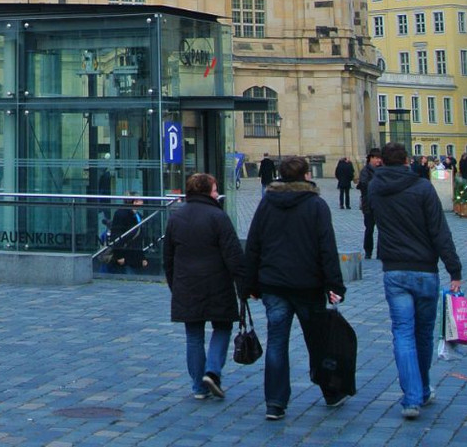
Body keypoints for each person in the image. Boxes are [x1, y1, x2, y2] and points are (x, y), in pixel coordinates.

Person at [243, 153, 347, 421]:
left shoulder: (267, 203)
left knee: (277, 342)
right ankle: (331, 392)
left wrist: (249, 284)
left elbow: (253, 245)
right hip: (308, 285)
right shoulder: (316, 205)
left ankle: (275, 403)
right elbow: (327, 248)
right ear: (305, 175)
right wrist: (334, 284)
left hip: (274, 284)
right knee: (318, 342)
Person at [369, 140, 462, 420]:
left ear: (382, 162)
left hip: (394, 270)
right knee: (422, 333)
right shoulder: (422, 188)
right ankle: (421, 389)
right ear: (408, 160)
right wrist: (454, 270)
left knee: (402, 332)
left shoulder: (375, 188)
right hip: (425, 270)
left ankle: (412, 398)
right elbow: (439, 231)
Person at [164, 172, 244, 399]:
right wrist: (244, 285)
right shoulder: (218, 217)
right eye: (215, 189)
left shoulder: (176, 218)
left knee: (194, 335)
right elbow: (234, 255)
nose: (218, 193)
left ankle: (199, 387)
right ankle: (212, 370)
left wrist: (174, 285)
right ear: (207, 192)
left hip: (186, 285)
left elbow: (167, 258)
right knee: (222, 327)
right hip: (217, 283)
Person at [106, 195, 151, 275]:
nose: (143, 202)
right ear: (134, 202)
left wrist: (142, 257)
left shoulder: (138, 215)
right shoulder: (122, 214)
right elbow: (117, 236)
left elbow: (139, 238)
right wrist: (118, 255)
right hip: (124, 253)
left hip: (135, 253)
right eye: (140, 200)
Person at [358, 147, 383, 258]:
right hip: (368, 205)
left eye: (380, 158)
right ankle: (368, 251)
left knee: (382, 230)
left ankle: (380, 253)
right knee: (369, 229)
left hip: (381, 205)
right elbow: (364, 186)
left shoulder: (383, 169)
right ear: (371, 158)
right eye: (377, 158)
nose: (379, 161)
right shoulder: (365, 171)